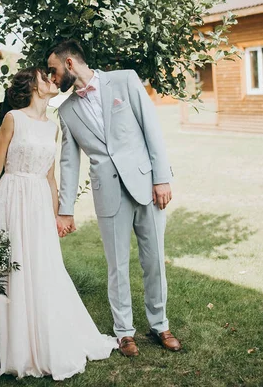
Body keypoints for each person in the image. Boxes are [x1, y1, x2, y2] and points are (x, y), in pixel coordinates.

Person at [0, 67, 117, 381]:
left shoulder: (52, 127)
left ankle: (50, 340)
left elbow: (51, 177)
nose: (50, 79)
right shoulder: (12, 119)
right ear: (32, 85)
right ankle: (21, 351)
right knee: (17, 271)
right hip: (11, 197)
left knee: (44, 269)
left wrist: (57, 215)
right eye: (43, 76)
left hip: (37, 200)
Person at [47, 40, 182, 357]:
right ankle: (124, 333)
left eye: (53, 71)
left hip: (146, 184)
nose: (52, 79)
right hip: (107, 194)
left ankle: (160, 324)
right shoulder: (66, 110)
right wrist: (65, 210)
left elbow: (152, 129)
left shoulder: (125, 80)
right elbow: (69, 163)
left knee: (154, 260)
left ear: (69, 64)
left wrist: (161, 178)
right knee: (117, 266)